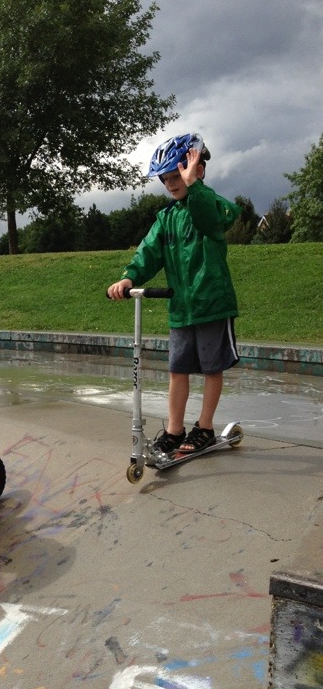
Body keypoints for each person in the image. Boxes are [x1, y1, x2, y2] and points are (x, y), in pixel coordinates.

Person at [107, 133, 241, 455]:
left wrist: (194, 186)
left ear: (198, 170)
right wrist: (129, 277)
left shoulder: (213, 206)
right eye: (165, 179)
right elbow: (149, 251)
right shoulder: (166, 218)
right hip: (181, 307)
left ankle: (205, 427)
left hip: (212, 303)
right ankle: (174, 429)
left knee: (211, 368)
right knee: (177, 370)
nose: (170, 183)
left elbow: (213, 220)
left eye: (176, 175)